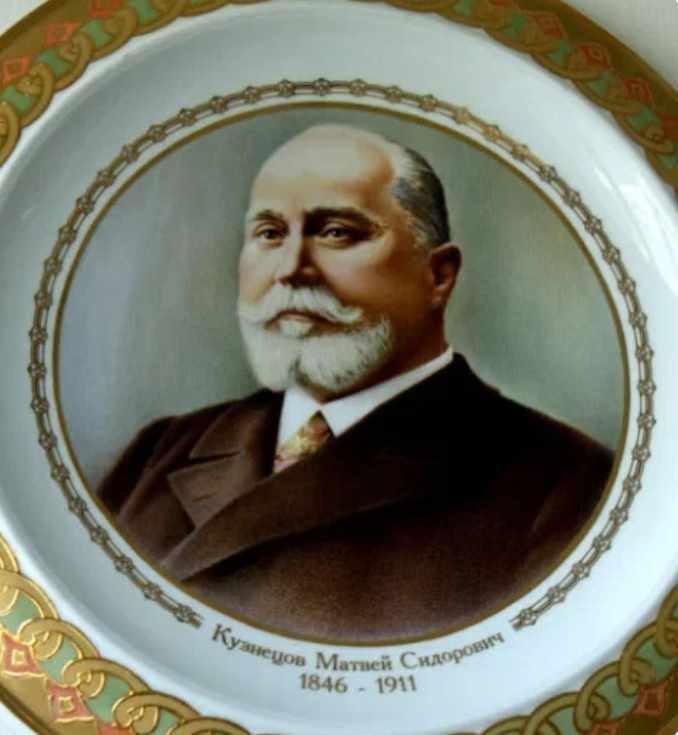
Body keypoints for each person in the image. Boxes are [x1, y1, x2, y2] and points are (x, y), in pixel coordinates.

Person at [99, 124, 613, 641]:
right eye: (270, 234)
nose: (290, 269)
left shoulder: (566, 487)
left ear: (439, 275)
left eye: (336, 232)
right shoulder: (159, 452)